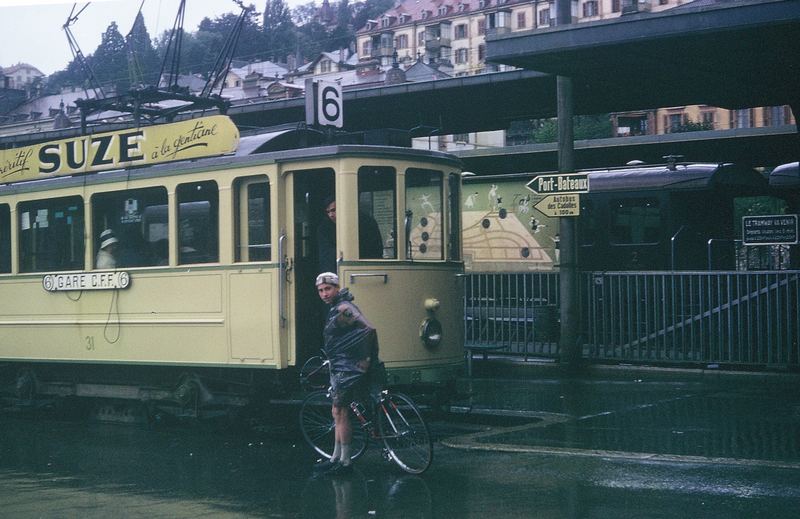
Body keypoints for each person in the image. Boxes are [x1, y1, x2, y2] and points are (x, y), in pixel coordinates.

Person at [313, 272, 378, 475]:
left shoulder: (343, 308)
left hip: (347, 368)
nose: (324, 294)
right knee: (337, 412)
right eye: (321, 290)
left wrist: (361, 359)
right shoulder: (337, 307)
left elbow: (368, 330)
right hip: (342, 366)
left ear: (337, 288)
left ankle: (346, 462)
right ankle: (336, 457)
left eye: (328, 289)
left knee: (341, 413)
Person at [317, 196, 384, 273]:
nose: (330, 215)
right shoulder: (324, 228)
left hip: (366, 269)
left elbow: (376, 250)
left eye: (333, 210)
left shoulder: (366, 223)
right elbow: (325, 257)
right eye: (328, 212)